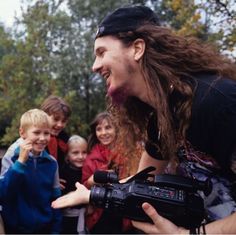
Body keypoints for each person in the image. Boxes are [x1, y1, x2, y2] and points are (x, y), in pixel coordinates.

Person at [52, 5, 236, 234]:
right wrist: (91, 195)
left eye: (101, 52)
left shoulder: (217, 102)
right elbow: (143, 183)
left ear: (137, 48)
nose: (94, 66)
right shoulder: (161, 119)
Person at [0, 109, 62, 234]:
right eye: (37, 132)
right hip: (16, 228)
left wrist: (55, 231)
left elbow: (56, 199)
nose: (43, 138)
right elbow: (4, 194)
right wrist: (21, 162)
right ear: (22, 132)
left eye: (47, 133)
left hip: (44, 228)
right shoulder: (12, 157)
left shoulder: (51, 163)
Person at [82, 111, 139, 234]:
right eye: (99, 129)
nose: (103, 133)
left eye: (108, 127)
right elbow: (84, 187)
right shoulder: (91, 158)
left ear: (116, 129)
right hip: (101, 215)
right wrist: (91, 181)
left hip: (125, 215)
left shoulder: (130, 154)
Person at [40, 95, 72, 189]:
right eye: (56, 119)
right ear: (44, 116)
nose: (60, 125)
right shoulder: (34, 138)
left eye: (64, 121)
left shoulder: (64, 137)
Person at [59, 135, 88, 234]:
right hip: (67, 217)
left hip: (85, 215)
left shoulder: (88, 171)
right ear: (67, 155)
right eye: (75, 153)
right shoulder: (62, 173)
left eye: (84, 152)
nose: (80, 156)